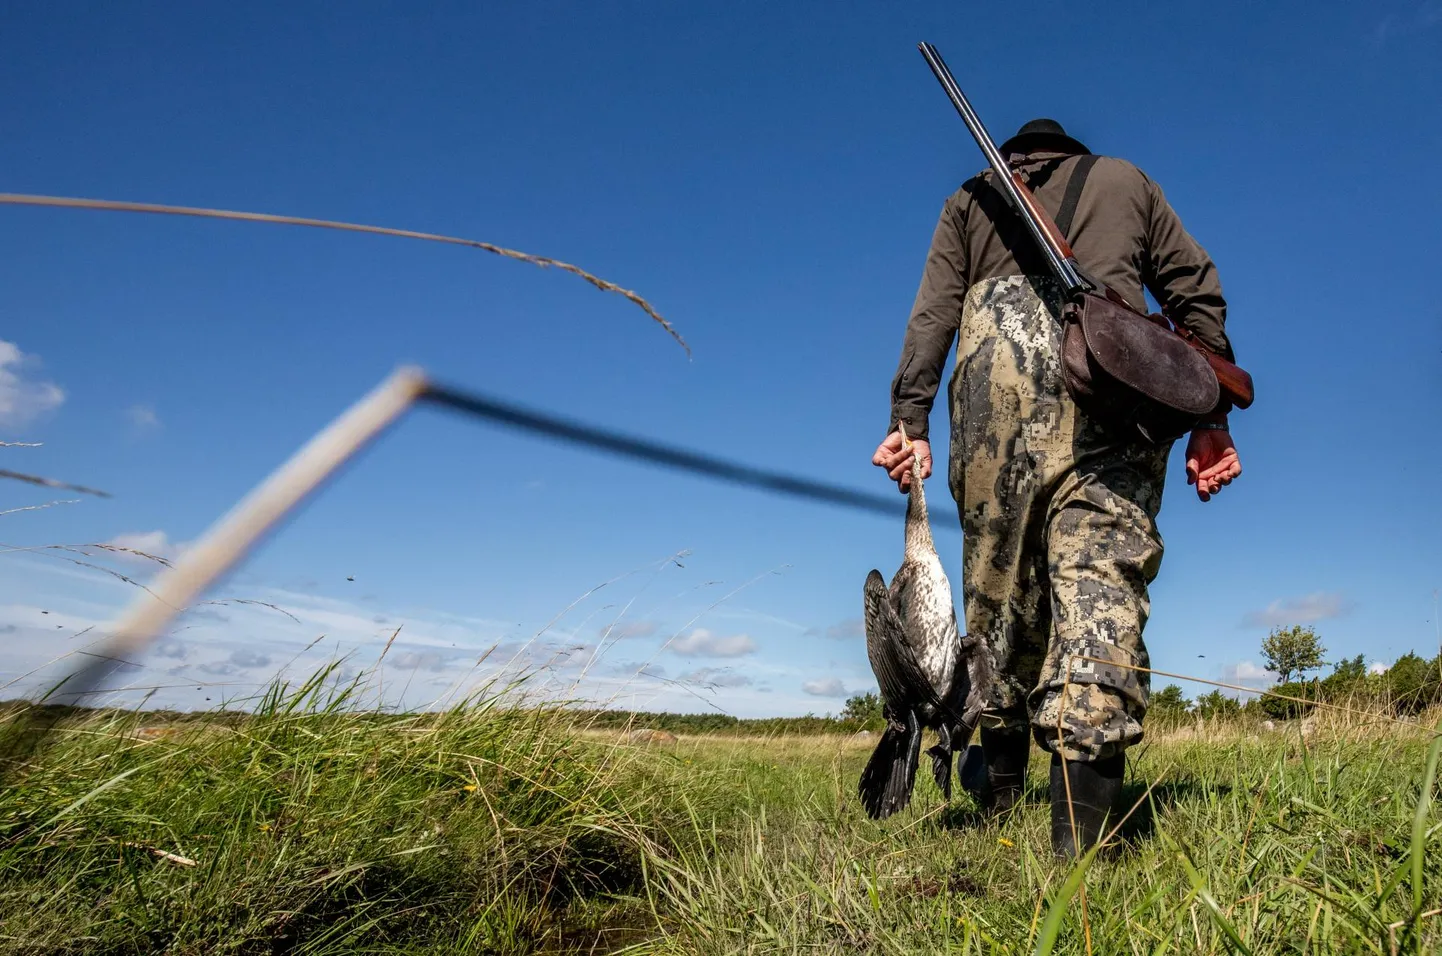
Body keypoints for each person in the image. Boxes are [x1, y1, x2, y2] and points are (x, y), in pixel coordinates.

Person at [870, 118, 1242, 858]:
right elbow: (1194, 292)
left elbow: (935, 313)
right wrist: (1214, 417)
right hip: (1109, 384)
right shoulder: (1126, 180)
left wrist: (909, 416)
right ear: (1074, 152)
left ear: (1016, 159)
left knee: (998, 603)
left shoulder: (971, 199)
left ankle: (1001, 789)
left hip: (990, 401)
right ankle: (1085, 841)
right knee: (1102, 587)